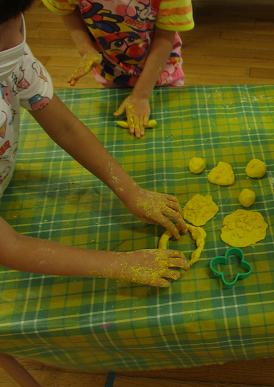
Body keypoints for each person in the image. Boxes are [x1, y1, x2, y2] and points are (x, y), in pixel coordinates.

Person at [0, 0, 190, 288]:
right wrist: (120, 263)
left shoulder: (13, 56)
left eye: (19, 20)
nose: (19, 38)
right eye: (7, 29)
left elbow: (65, 126)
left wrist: (130, 191)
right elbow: (9, 245)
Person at [42, 0, 195, 139]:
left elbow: (164, 38)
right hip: (113, 70)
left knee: (169, 132)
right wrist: (87, 49)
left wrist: (140, 96)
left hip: (161, 72)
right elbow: (67, 10)